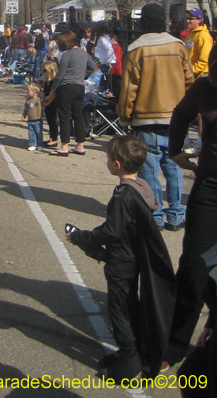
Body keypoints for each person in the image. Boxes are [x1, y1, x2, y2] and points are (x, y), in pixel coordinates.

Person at [66, 135, 176, 383]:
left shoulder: (123, 196)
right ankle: (133, 348)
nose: (106, 161)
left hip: (121, 262)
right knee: (129, 304)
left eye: (107, 158)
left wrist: (82, 237)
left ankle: (129, 355)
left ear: (117, 165)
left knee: (119, 311)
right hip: (134, 257)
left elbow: (111, 232)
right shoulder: (142, 186)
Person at [117, 2, 194, 230]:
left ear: (143, 23)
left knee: (149, 171)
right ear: (164, 22)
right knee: (175, 168)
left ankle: (156, 215)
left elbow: (128, 89)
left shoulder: (136, 49)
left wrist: (125, 117)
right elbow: (189, 81)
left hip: (145, 119)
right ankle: (176, 215)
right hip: (175, 118)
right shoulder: (178, 47)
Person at [164, 44, 217, 367]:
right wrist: (175, 151)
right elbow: (181, 114)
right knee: (195, 269)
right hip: (209, 189)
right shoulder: (203, 87)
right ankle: (173, 344)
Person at [43, 30, 95, 156]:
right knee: (78, 115)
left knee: (64, 116)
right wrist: (82, 76)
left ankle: (64, 146)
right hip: (80, 87)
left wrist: (53, 90)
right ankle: (80, 145)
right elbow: (93, 67)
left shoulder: (67, 55)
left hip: (66, 87)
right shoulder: (84, 53)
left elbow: (60, 75)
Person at [183, 8, 214, 77]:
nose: (187, 21)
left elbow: (204, 60)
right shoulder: (190, 34)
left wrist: (191, 70)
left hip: (200, 75)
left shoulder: (203, 35)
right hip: (189, 72)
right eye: (187, 18)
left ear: (199, 20)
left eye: (191, 19)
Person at [41, 60, 59, 148]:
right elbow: (44, 92)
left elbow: (53, 95)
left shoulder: (54, 82)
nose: (43, 73)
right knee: (49, 121)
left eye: (45, 71)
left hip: (52, 103)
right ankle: (51, 138)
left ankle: (54, 139)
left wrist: (47, 102)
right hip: (47, 103)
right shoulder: (47, 81)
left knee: (53, 121)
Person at [22, 83, 43, 151]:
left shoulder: (39, 100)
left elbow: (45, 100)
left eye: (28, 91)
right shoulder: (28, 101)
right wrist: (24, 116)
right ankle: (32, 144)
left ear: (34, 92)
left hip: (38, 120)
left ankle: (40, 145)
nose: (27, 93)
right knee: (31, 133)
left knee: (39, 133)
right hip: (30, 120)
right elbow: (25, 109)